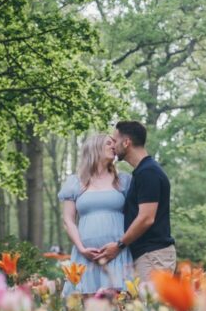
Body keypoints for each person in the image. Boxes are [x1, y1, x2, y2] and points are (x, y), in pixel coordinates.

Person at [58, 132, 135, 295]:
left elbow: (136, 217)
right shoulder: (75, 182)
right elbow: (68, 220)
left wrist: (121, 245)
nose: (114, 146)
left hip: (116, 255)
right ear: (94, 147)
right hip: (85, 256)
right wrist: (81, 248)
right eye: (109, 143)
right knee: (89, 309)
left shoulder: (124, 181)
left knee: (118, 308)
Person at [100, 120, 176, 282]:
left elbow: (146, 218)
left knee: (152, 306)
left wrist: (119, 246)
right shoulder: (142, 171)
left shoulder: (148, 172)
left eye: (115, 141)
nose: (113, 146)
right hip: (147, 255)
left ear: (126, 143)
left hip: (153, 256)